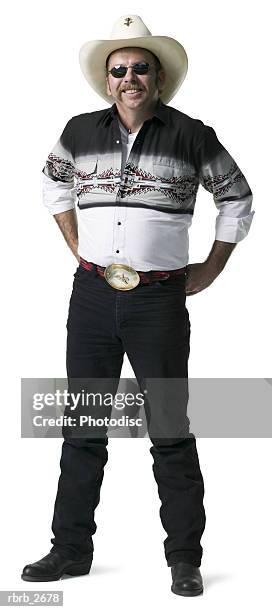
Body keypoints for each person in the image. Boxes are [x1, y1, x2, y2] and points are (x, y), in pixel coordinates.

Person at [21, 15, 254, 596]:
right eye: (118, 70)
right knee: (83, 427)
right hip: (94, 298)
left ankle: (184, 559)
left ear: (158, 77)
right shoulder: (78, 132)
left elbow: (237, 197)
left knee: (170, 429)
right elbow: (52, 183)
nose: (129, 77)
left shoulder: (192, 134)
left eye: (139, 68)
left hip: (159, 303)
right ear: (107, 82)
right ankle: (69, 551)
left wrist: (211, 267)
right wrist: (76, 245)